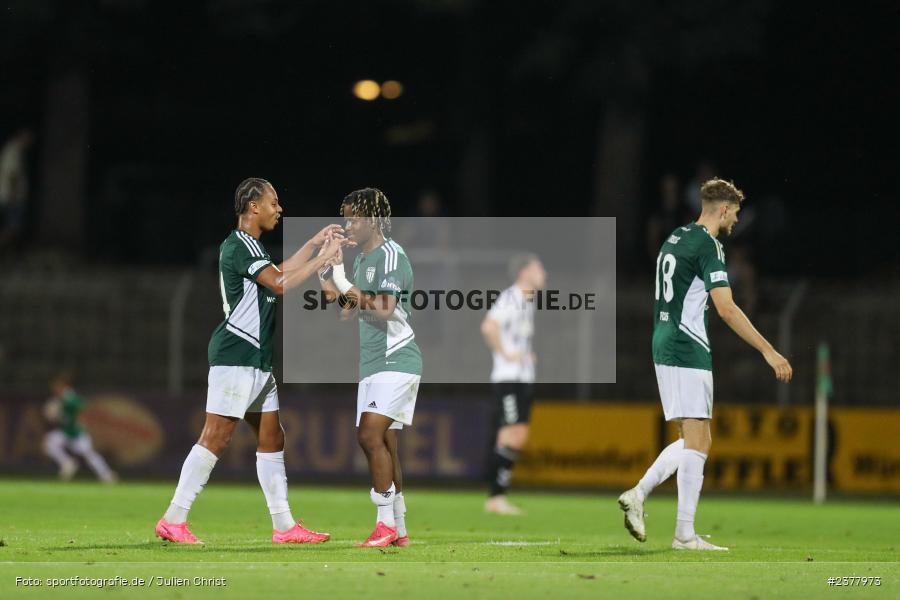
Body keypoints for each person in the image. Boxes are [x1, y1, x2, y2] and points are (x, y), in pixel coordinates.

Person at [155, 177, 349, 545]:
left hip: (256, 360)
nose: (279, 208)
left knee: (272, 436)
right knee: (216, 435)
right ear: (253, 206)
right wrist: (323, 257)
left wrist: (311, 245)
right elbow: (279, 283)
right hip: (237, 354)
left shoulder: (251, 247)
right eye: (274, 202)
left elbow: (278, 272)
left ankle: (284, 526)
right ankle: (173, 519)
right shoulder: (239, 244)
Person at [618, 178, 792, 551]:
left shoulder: (675, 237)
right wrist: (768, 350)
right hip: (686, 345)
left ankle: (655, 507)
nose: (736, 222)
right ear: (724, 209)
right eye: (736, 214)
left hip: (663, 339)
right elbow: (727, 308)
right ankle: (676, 527)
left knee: (696, 438)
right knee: (697, 439)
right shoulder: (709, 245)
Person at [319, 187, 422, 547]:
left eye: (356, 218)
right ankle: (401, 531)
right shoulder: (361, 260)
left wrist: (344, 281)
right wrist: (327, 269)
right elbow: (345, 310)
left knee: (368, 435)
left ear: (374, 219)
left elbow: (386, 308)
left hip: (398, 358)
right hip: (372, 364)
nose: (349, 224)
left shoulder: (391, 255)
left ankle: (384, 525)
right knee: (386, 444)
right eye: (346, 217)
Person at [481, 254, 546, 515]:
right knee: (512, 435)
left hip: (521, 378)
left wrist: (524, 354)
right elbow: (488, 326)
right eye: (539, 268)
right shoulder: (512, 297)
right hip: (509, 379)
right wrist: (506, 353)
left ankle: (497, 495)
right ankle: (496, 498)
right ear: (524, 272)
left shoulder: (526, 302)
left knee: (515, 437)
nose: (544, 274)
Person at [42, 372, 117, 483]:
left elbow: (82, 405)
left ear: (63, 386)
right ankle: (67, 463)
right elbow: (56, 415)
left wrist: (60, 409)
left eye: (57, 386)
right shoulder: (59, 399)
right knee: (49, 443)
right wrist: (55, 414)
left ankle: (106, 474)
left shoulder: (69, 397)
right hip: (66, 432)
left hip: (77, 432)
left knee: (89, 454)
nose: (54, 388)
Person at [0, 129, 35, 249]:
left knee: (14, 228)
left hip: (14, 195)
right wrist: (13, 194)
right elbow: (12, 174)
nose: (30, 142)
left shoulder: (18, 151)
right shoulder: (13, 150)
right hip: (12, 196)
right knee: (12, 227)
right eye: (28, 138)